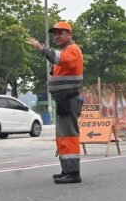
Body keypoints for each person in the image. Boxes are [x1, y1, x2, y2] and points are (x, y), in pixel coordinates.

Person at [27, 21, 84, 184]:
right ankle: (67, 169)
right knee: (62, 136)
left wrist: (41, 48)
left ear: (69, 34)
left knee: (69, 135)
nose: (56, 36)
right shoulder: (66, 50)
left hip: (69, 99)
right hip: (63, 99)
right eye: (55, 33)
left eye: (60, 33)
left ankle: (73, 173)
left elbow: (59, 58)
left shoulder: (72, 50)